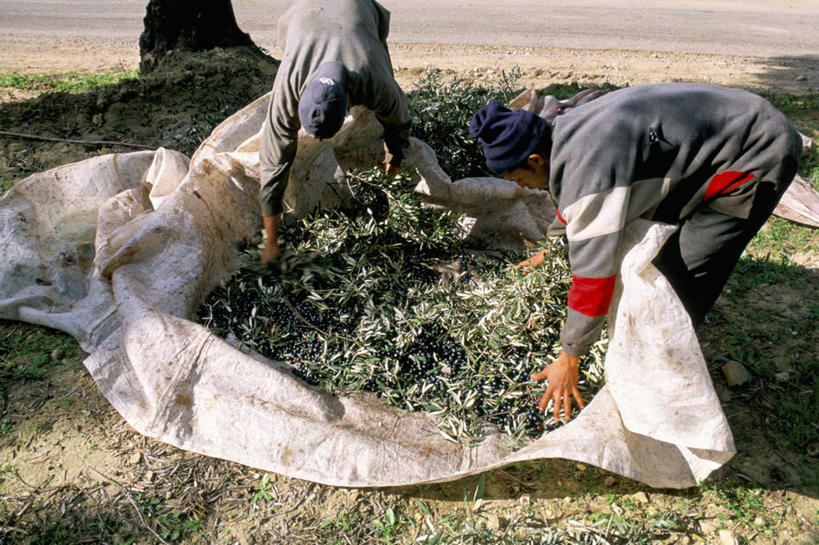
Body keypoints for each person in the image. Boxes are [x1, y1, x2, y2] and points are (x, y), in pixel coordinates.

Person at [469, 83, 802, 421]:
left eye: (518, 178)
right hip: (728, 124)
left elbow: (592, 279)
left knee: (678, 280)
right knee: (652, 259)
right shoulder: (562, 133)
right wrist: (552, 247)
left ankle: (669, 386)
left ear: (535, 159)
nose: (520, 187)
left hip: (756, 151)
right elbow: (575, 202)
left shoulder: (588, 166)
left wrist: (570, 356)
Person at [259, 0, 412, 264]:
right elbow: (273, 165)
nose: (317, 142)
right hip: (305, 12)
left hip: (358, 8)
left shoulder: (375, 81)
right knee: (278, 149)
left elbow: (399, 122)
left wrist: (394, 158)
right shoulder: (289, 85)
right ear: (300, 98)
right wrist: (271, 242)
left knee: (374, 51)